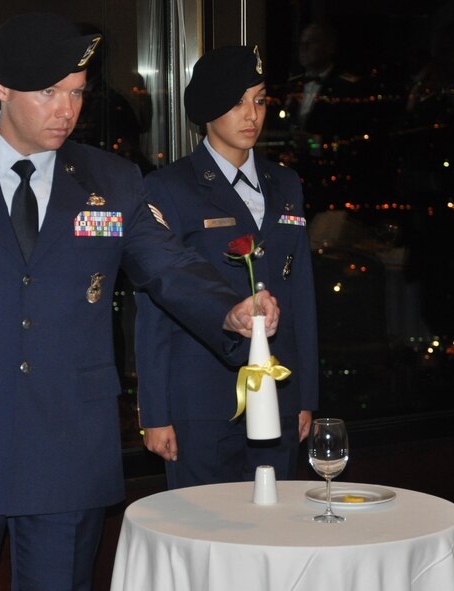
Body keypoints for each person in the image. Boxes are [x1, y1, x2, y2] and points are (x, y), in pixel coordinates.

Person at [0, 13, 279, 591]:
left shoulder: (112, 180)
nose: (67, 110)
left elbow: (167, 263)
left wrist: (229, 308)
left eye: (77, 94)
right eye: (48, 93)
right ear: (1, 89)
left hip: (67, 445)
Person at [135, 45, 318, 489]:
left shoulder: (286, 183)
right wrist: (155, 413)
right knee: (204, 532)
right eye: (236, 103)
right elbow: (155, 306)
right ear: (207, 110)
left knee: (275, 526)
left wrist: (306, 396)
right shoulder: (169, 188)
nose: (251, 115)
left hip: (279, 391)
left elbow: (301, 295)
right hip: (199, 399)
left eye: (258, 100)